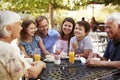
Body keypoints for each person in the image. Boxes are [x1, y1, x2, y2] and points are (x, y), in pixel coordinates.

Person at [0, 11, 46, 80]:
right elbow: (32, 73)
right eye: (18, 25)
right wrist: (41, 64)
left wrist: (27, 62)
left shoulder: (3, 46)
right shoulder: (9, 50)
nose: (21, 28)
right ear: (8, 28)